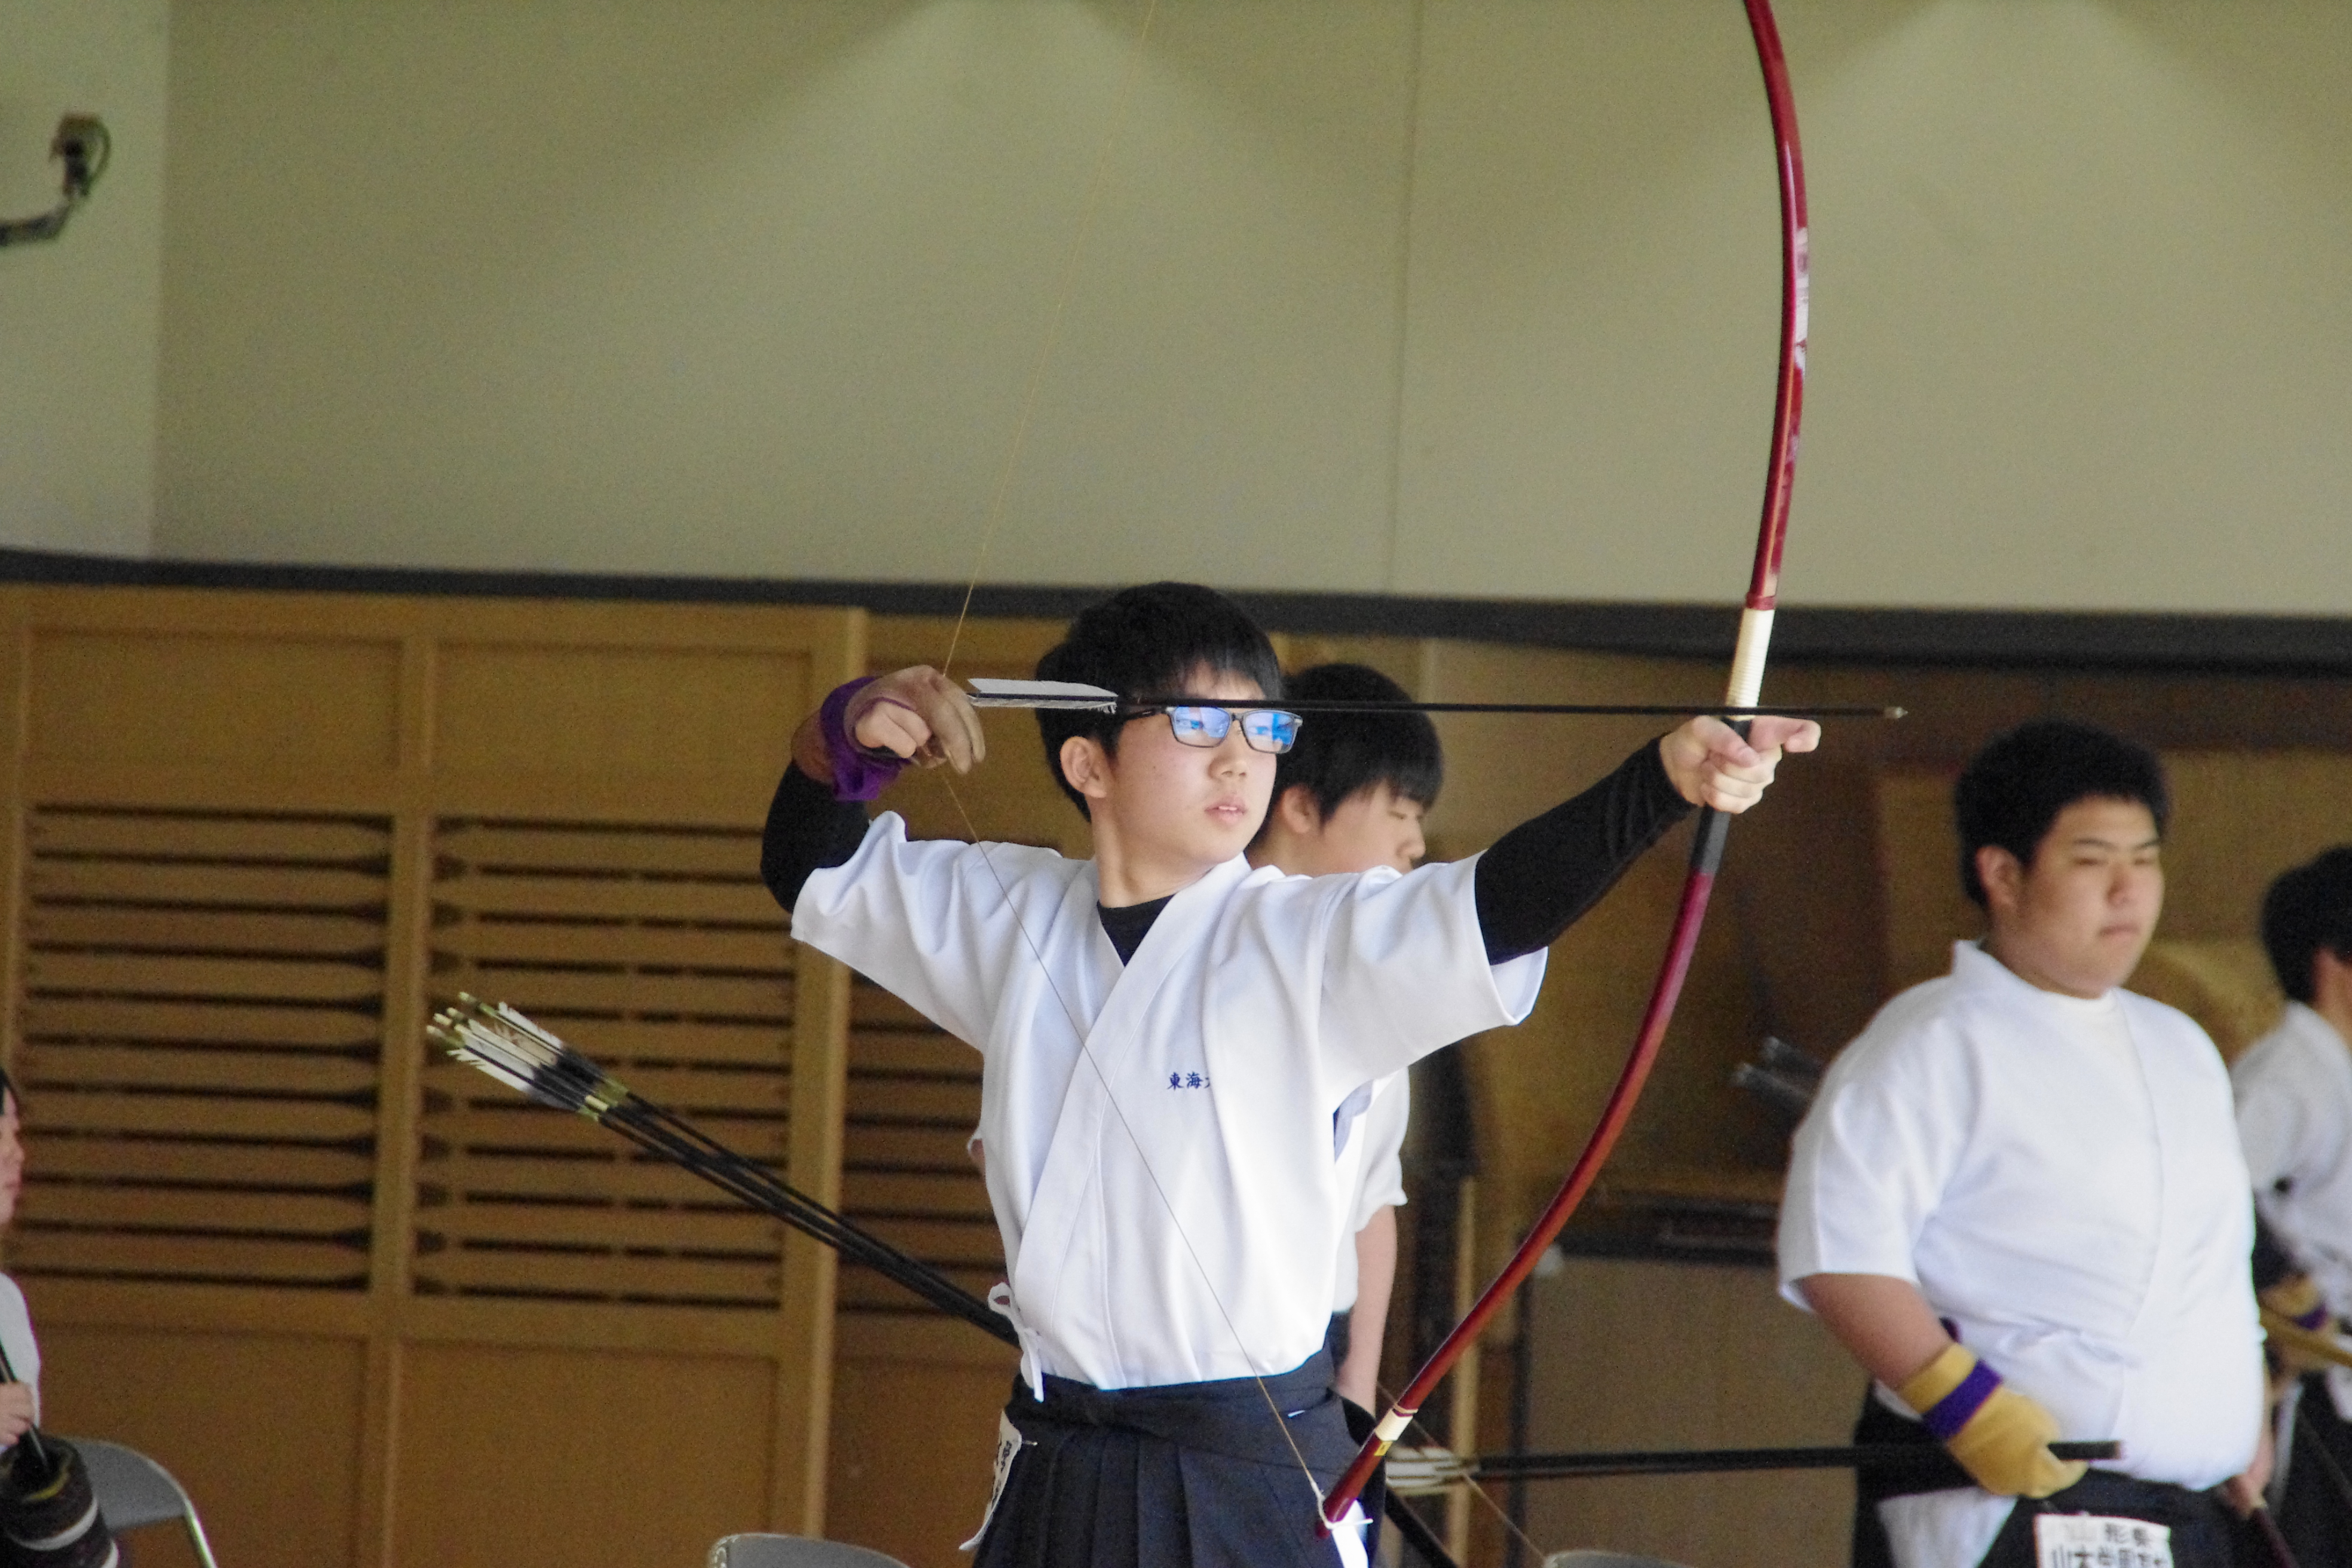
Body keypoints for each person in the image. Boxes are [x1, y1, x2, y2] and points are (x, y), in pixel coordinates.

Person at [761, 581, 1814, 1568]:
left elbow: (1499, 902)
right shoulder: (1012, 914)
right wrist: (845, 732)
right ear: (1089, 763)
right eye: (1196, 723)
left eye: (1263, 729)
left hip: (1245, 1470)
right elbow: (809, 864)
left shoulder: (1307, 939)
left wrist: (1659, 781)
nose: (1238, 760)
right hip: (1059, 1460)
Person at [1777, 718, 2266, 1568]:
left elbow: (2214, 1257)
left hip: (2186, 1510)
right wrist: (1965, 1405)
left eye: (2145, 859)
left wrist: (2242, 1415)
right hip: (2007, 1502)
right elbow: (1839, 1250)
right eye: (2091, 861)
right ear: (2002, 874)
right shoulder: (1931, 1039)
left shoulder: (2181, 1043)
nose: (2129, 891)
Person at [1244, 662, 1443, 1418]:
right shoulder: (1194, 956)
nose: (1416, 841)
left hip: (1318, 1349)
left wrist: (1358, 1383)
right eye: (1398, 810)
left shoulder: (1376, 989)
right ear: (1299, 805)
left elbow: (1370, 1204)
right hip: (1197, 1356)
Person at [2233, 846, 2352, 1566]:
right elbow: (2214, 1190)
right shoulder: (2290, 1073)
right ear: (2336, 958)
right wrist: (2289, 1293)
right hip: (2314, 1379)